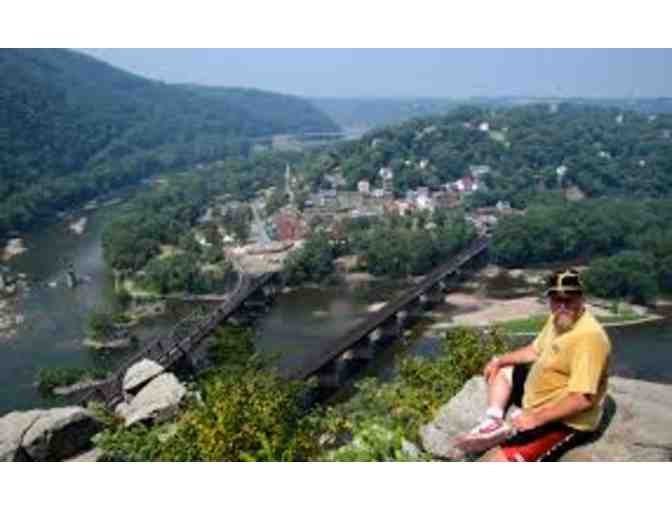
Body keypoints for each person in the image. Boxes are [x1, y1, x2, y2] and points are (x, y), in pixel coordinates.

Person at [453, 268, 611, 461]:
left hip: (564, 421)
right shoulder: (557, 320)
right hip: (538, 398)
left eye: (568, 299)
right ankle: (494, 421)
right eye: (556, 299)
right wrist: (499, 360)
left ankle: (511, 430)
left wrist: (535, 419)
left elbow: (582, 399)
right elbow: (534, 351)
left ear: (581, 299)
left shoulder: (588, 338)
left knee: (498, 462)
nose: (561, 306)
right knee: (504, 370)